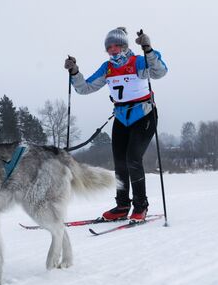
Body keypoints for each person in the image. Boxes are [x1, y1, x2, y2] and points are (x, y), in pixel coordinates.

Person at [64, 27, 167, 222]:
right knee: (120, 162)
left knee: (133, 158)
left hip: (144, 115)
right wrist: (75, 72)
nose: (113, 50)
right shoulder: (107, 68)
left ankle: (140, 206)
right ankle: (122, 206)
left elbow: (159, 72)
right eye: (109, 47)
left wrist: (148, 48)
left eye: (117, 46)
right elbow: (85, 88)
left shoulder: (139, 61)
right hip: (121, 117)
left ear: (125, 46)